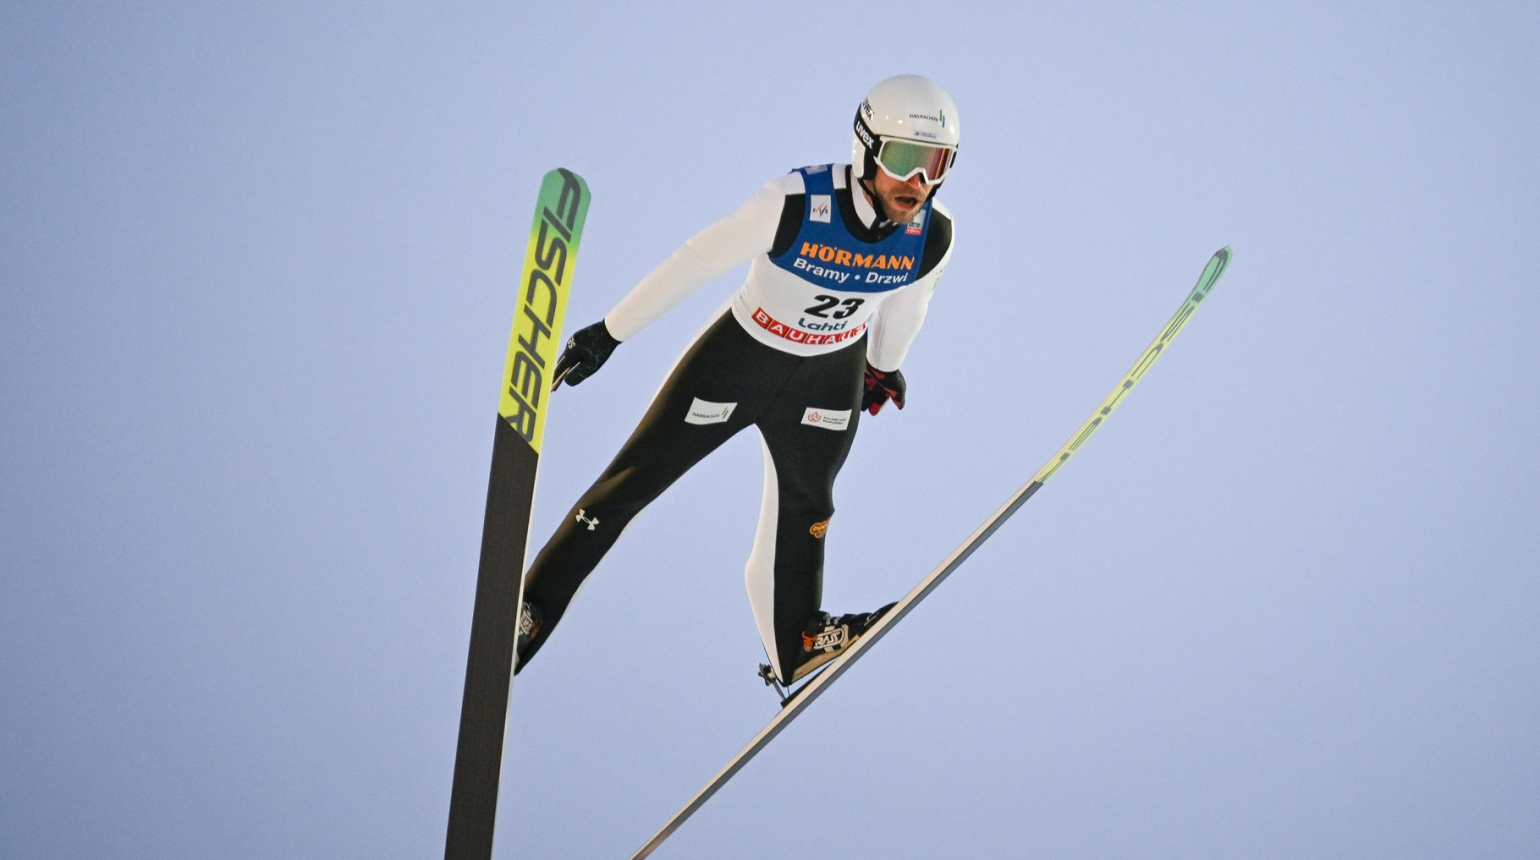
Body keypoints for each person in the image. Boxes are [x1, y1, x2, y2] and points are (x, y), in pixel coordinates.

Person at [514, 74, 960, 687]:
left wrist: (883, 365)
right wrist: (609, 334)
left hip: (830, 378)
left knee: (809, 510)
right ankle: (530, 612)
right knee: (631, 482)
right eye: (906, 160)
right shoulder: (796, 204)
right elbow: (697, 259)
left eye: (936, 165)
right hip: (740, 361)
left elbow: (908, 306)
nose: (920, 183)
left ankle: (796, 641)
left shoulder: (932, 234)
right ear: (867, 148)